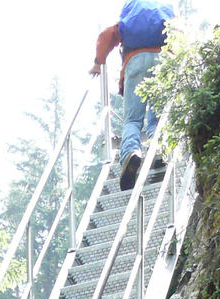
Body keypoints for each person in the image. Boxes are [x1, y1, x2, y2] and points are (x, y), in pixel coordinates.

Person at [92, 1, 175, 190]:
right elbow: (179, 35)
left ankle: (131, 152)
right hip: (164, 61)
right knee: (157, 118)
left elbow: (107, 35)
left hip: (135, 61)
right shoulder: (165, 15)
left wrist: (98, 62)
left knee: (133, 120)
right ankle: (160, 150)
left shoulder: (128, 22)